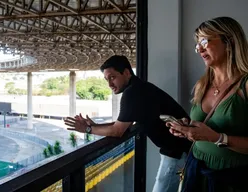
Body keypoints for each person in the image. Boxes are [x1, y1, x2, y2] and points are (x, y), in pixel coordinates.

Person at [64, 55, 192, 192]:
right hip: (180, 151)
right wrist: (94, 126)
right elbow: (124, 123)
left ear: (126, 73)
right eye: (107, 79)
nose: (109, 84)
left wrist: (87, 129)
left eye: (112, 77)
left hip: (177, 153)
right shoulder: (140, 87)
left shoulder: (133, 92)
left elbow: (117, 131)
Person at [168, 16, 248, 192]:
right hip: (196, 172)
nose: (199, 48)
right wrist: (188, 129)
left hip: (233, 181)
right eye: (197, 44)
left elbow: (213, 134)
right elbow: (206, 128)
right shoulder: (202, 84)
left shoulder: (245, 84)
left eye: (204, 40)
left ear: (229, 41)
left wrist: (217, 138)